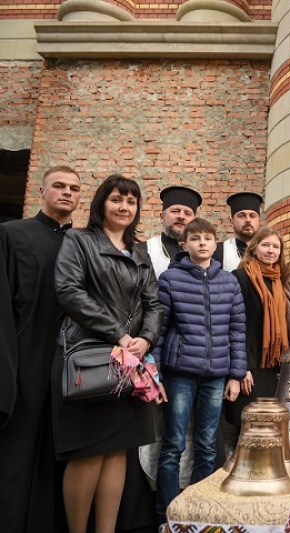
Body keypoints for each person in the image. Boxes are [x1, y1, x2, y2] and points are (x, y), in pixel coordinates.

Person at [53, 175, 165, 533]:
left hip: (130, 362)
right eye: (117, 199)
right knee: (89, 451)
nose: (124, 207)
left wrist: (145, 339)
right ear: (101, 203)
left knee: (119, 450)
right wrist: (118, 333)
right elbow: (68, 291)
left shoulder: (141, 252)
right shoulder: (80, 240)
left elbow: (154, 304)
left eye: (131, 202)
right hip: (91, 357)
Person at [0, 165, 81, 533]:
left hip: (71, 366)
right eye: (59, 186)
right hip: (23, 359)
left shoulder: (85, 243)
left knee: (60, 453)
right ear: (41, 191)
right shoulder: (11, 235)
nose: (67, 193)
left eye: (74, 188)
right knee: (16, 454)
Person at [153, 218, 246, 524]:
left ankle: (198, 513)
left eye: (208, 238)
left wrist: (236, 373)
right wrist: (156, 375)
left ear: (215, 244)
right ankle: (168, 514)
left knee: (207, 445)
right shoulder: (170, 279)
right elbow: (160, 329)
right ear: (185, 245)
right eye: (196, 239)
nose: (202, 243)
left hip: (216, 374)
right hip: (179, 372)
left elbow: (237, 331)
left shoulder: (229, 282)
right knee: (173, 445)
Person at [226, 226, 289, 429]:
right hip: (250, 367)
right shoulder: (240, 277)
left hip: (273, 368)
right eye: (265, 245)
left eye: (276, 246)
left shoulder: (280, 281)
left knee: (269, 430)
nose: (271, 250)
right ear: (254, 248)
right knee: (247, 429)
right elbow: (234, 325)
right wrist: (243, 367)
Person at [139, 185, 201, 278]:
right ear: (161, 217)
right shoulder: (142, 251)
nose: (181, 216)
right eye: (175, 211)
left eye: (187, 213)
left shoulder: (204, 253)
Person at [213, 192, 263, 271]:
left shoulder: (268, 250)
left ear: (259, 221)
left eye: (252, 216)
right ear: (231, 221)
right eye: (241, 215)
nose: (248, 220)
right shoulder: (218, 251)